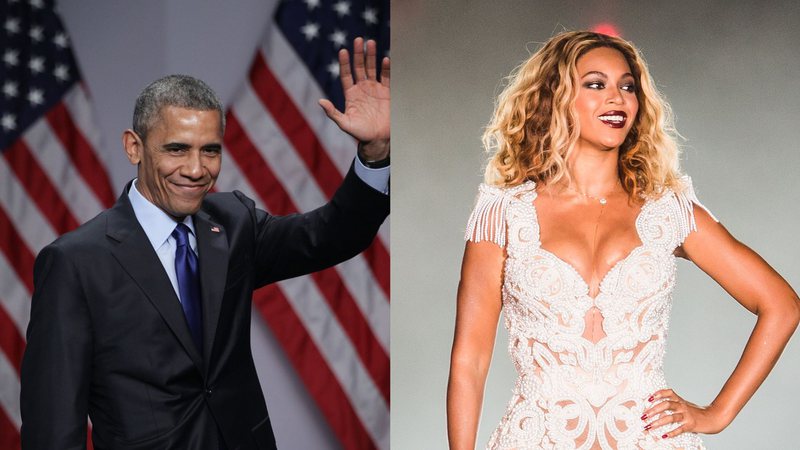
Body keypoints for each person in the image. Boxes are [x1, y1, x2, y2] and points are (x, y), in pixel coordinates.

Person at [20, 38, 389, 450]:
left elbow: (329, 236)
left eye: (209, 151)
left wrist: (374, 156)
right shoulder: (76, 262)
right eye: (177, 149)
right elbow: (52, 429)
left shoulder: (233, 222)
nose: (196, 170)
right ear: (134, 147)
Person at [446, 30, 800, 450]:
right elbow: (469, 362)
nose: (617, 98)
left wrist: (716, 414)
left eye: (627, 86)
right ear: (555, 97)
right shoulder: (503, 214)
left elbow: (781, 304)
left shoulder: (668, 211)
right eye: (596, 84)